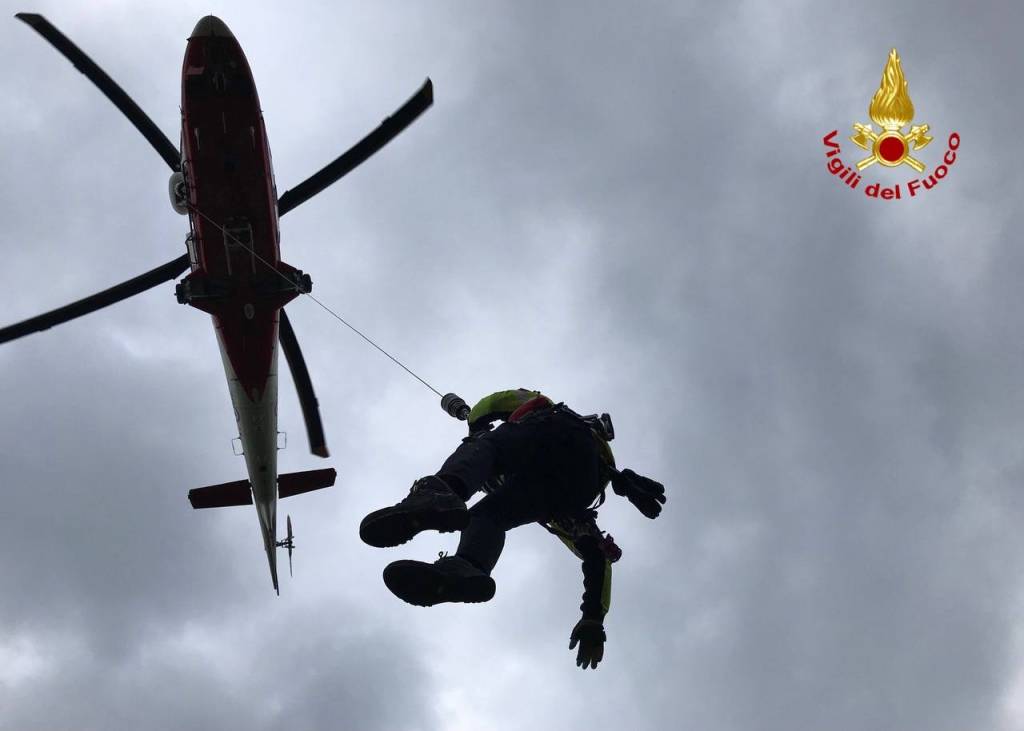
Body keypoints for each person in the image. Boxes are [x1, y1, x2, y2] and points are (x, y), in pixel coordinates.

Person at [359, 388, 666, 669]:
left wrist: (475, 426)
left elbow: (490, 405)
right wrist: (593, 619)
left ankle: (439, 493)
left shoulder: (537, 408)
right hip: (581, 484)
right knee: (488, 515)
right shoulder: (567, 513)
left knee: (487, 448)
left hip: (554, 434)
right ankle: (467, 567)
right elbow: (595, 555)